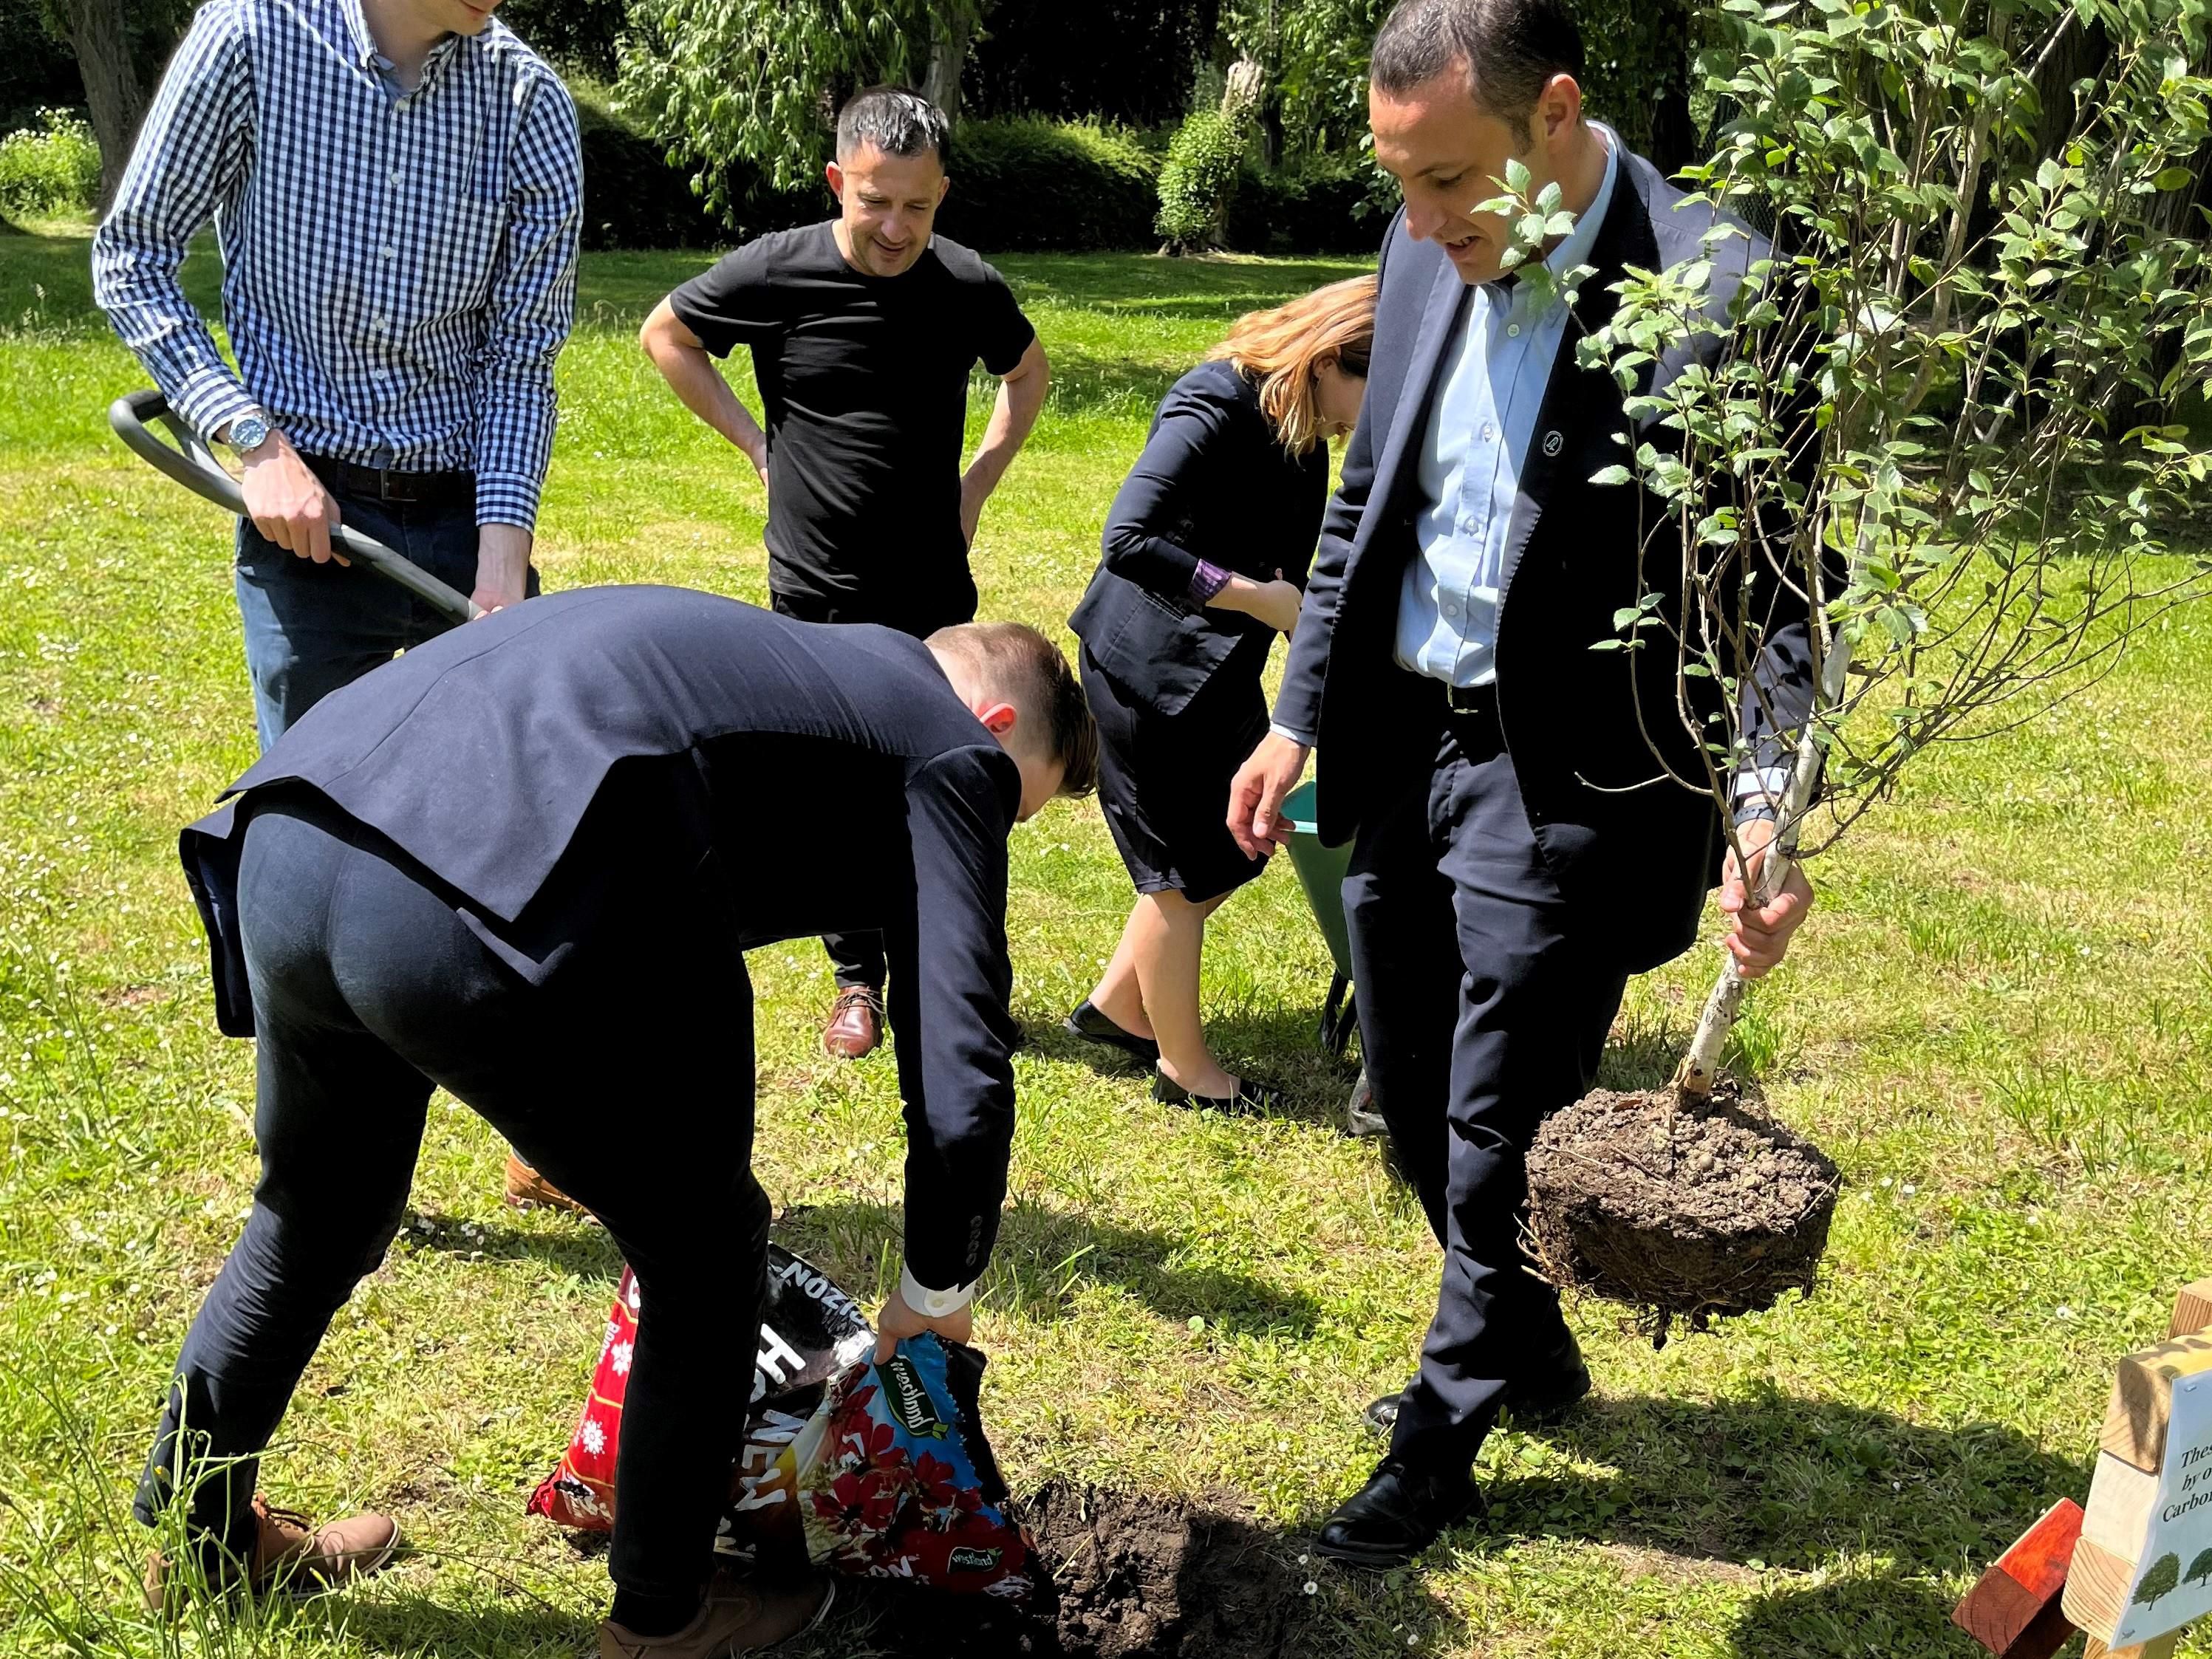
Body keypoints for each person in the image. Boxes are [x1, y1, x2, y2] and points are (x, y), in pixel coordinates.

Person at [140, 586, 1099, 1659]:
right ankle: (663, 1618)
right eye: (1012, 808)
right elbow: (962, 1067)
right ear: (996, 728)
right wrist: (936, 1291)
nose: (987, 828)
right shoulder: (953, 747)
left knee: (311, 1215)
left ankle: (200, 1538)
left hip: (295, 824)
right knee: (706, 1250)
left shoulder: (819, 675)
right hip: (459, 885)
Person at [1225, 0, 1822, 1567]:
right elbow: (1365, 505)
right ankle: (1528, 1335)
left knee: (1498, 1114)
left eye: (1448, 179)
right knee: (1408, 1091)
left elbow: (1776, 597)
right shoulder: (1425, 241)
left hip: (1576, 779)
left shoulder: (1725, 291)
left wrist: (1763, 812)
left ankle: (1436, 1441)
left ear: (1554, 112)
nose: (1419, 222)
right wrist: (1296, 717)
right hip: (1404, 739)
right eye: (1401, 183)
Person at [638, 86, 1051, 1064]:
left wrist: (977, 483)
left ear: (941, 194)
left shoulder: (964, 283)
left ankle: (951, 978)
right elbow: (667, 334)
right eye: (875, 201)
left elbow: (1026, 373)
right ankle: (857, 979)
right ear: (837, 182)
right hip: (817, 586)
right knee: (834, 789)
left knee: (945, 777)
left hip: (932, 588)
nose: (896, 227)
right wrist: (755, 444)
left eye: (917, 205)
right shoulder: (777, 269)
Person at [92, 0, 583, 753]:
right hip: (309, 527)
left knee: (493, 792)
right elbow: (132, 257)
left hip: (469, 518)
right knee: (310, 801)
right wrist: (256, 444)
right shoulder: (253, 36)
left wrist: (502, 562)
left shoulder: (529, 99)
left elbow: (520, 355)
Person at [1062, 278, 1376, 1113]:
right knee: (1176, 871)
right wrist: (1253, 598)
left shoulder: (1302, 430)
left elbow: (1299, 577)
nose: (1366, 425)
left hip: (1216, 675)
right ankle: (1186, 1071)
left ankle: (1119, 1006)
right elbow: (1129, 539)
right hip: (1145, 670)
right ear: (1328, 358)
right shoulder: (1216, 399)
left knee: (1238, 843)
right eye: (1370, 394)